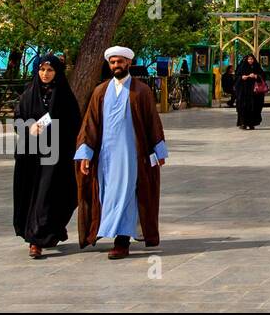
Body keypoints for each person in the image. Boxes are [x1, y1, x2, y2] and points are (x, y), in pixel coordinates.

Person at [74, 46, 167, 259]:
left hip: (132, 156)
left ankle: (122, 241)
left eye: (120, 62)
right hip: (105, 158)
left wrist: (158, 150)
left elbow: (152, 121)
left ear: (129, 63)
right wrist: (85, 155)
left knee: (127, 194)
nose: (116, 65)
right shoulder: (100, 91)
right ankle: (109, 232)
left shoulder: (141, 90)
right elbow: (90, 124)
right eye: (113, 62)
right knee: (107, 195)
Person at [13, 54, 81, 258]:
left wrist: (42, 125)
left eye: (50, 70)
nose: (45, 74)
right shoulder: (28, 93)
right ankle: (35, 239)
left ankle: (45, 232)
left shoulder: (64, 96)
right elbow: (18, 119)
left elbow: (72, 122)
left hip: (56, 155)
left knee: (52, 195)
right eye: (42, 70)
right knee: (32, 194)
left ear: (57, 72)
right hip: (31, 155)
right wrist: (28, 128)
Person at [235, 54, 264, 130]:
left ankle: (252, 123)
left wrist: (256, 76)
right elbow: (236, 77)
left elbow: (263, 76)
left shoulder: (256, 67)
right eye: (249, 59)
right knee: (243, 107)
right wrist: (241, 77)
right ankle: (243, 123)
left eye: (252, 59)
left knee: (254, 107)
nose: (250, 61)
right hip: (243, 92)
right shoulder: (241, 67)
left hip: (254, 92)